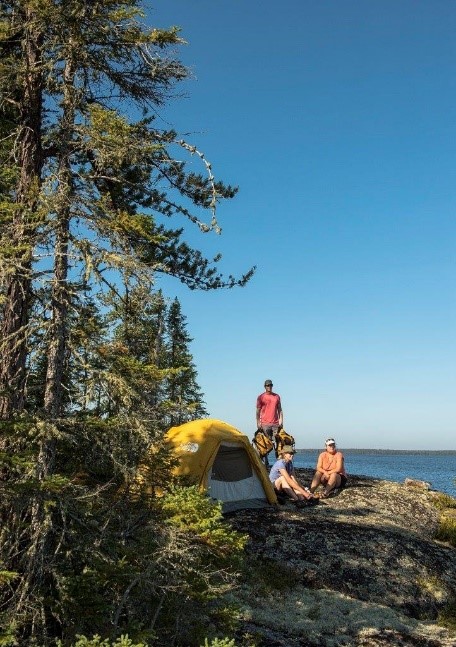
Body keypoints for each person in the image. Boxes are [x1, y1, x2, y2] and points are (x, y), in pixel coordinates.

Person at [256, 379, 283, 465]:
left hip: (275, 423)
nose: (269, 387)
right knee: (265, 443)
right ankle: (265, 461)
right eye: (268, 385)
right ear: (265, 387)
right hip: (264, 423)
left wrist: (281, 421)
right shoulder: (261, 397)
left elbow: (280, 409)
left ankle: (279, 461)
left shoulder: (277, 396)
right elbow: (258, 411)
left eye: (271, 385)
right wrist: (258, 422)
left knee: (278, 442)